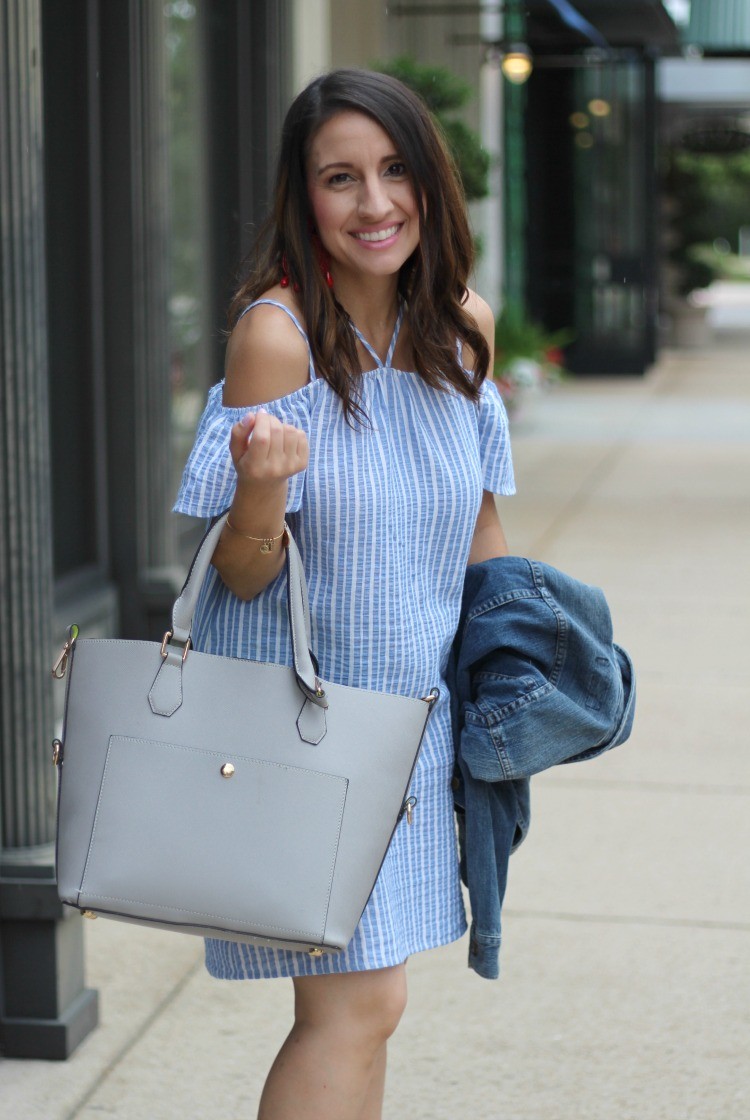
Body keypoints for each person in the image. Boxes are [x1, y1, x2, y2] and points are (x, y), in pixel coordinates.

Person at [174, 68, 515, 1120]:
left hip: (415, 727)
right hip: (310, 727)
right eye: (340, 178)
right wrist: (264, 488)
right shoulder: (276, 337)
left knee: (375, 1003)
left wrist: (521, 665)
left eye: (394, 170)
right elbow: (240, 571)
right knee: (351, 1009)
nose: (374, 204)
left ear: (430, 183)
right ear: (303, 196)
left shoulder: (463, 328)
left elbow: (481, 530)